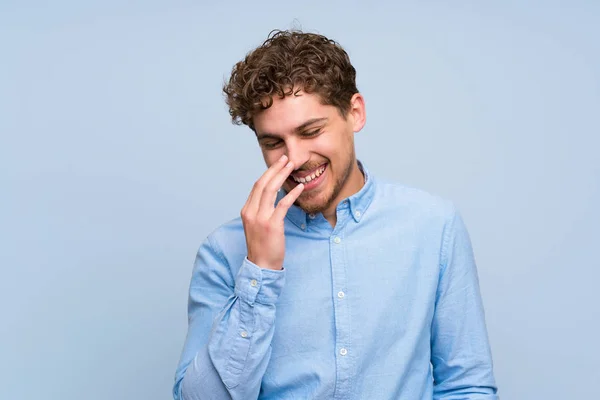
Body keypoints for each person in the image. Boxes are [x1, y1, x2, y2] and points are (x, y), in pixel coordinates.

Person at [173, 29, 498, 400]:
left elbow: (466, 386)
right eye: (273, 142)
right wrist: (259, 272)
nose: (294, 158)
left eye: (310, 131)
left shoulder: (433, 225)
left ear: (355, 113)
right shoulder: (224, 251)